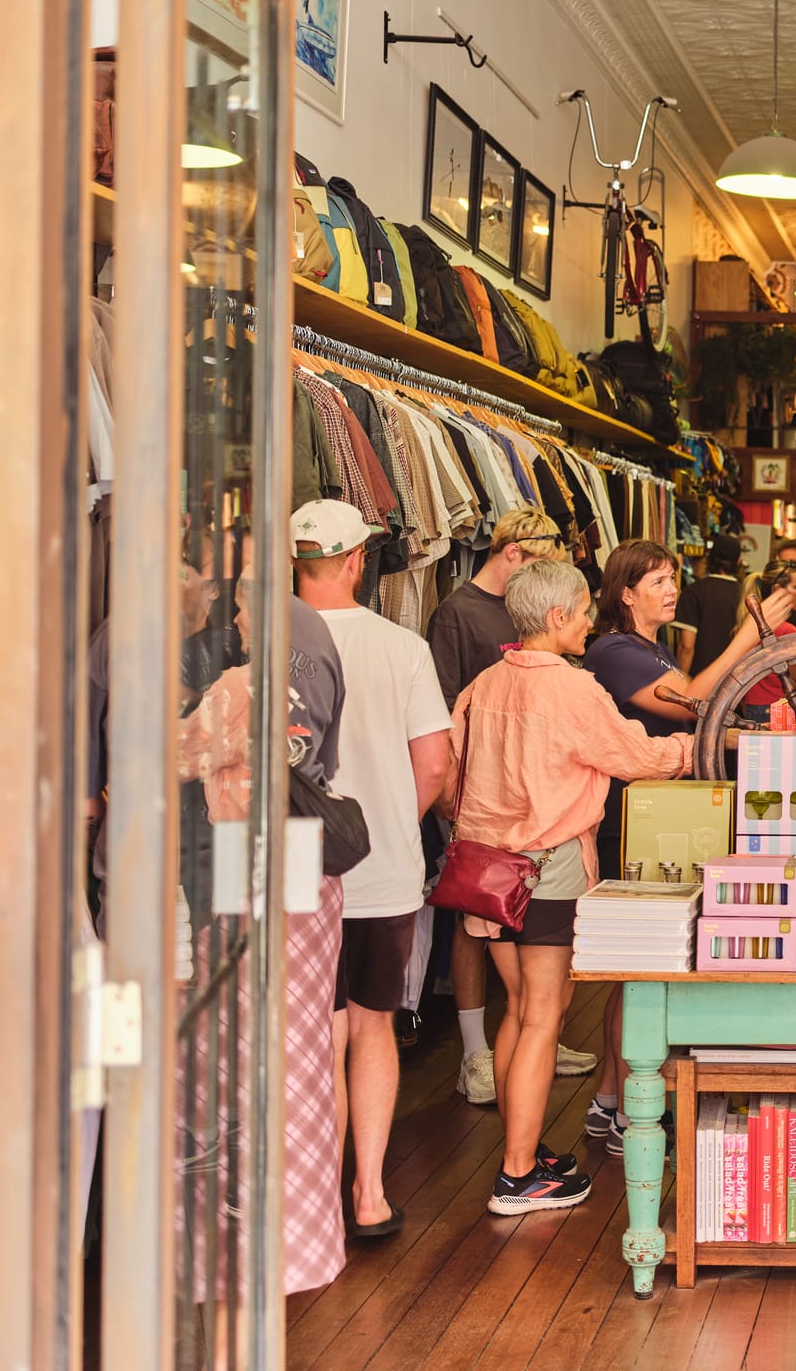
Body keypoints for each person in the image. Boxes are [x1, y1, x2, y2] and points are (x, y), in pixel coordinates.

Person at [446, 559, 695, 1214]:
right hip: (547, 867)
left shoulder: (482, 685)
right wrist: (689, 752)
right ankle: (519, 1175)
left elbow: (450, 780)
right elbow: (635, 758)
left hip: (483, 867)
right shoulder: (575, 689)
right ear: (556, 618)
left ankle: (519, 1151)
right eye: (584, 611)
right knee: (543, 1016)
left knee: (520, 1010)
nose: (590, 621)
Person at [580, 541, 796, 1146]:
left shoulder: (646, 646)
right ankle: (629, 1112)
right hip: (634, 820)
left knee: (637, 970)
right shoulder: (616, 651)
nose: (672, 590)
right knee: (639, 968)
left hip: (653, 814)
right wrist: (747, 638)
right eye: (658, 582)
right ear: (626, 595)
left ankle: (607, 1098)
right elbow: (693, 702)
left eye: (674, 579)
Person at [174, 573, 349, 1294]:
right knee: (303, 1043)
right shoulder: (322, 670)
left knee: (238, 1048)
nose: (237, 619)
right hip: (310, 860)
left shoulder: (241, 688)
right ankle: (307, 1239)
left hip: (246, 858)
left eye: (244, 607)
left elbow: (175, 758)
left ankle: (248, 1246)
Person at [291, 501, 453, 1237]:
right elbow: (436, 766)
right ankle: (369, 1195)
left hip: (294, 867)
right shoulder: (402, 647)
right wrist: (387, 821)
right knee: (374, 1027)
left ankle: (316, 1199)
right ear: (358, 560)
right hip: (382, 863)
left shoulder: (259, 643)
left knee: (315, 1031)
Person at [423, 506, 596, 1103]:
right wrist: (451, 802)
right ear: (516, 551)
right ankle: (479, 1057)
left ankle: (518, 1064)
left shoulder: (528, 641)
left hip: (512, 810)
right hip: (496, 816)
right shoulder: (457, 614)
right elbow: (443, 721)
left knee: (526, 1004)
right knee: (524, 992)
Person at [734, 561, 796, 726]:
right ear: (776, 589)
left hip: (751, 705)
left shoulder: (747, 626)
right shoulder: (788, 631)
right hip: (778, 706)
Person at [672, 532, 744, 674]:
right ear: (738, 562)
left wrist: (680, 685)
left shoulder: (693, 591)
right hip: (735, 683)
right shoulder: (746, 594)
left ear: (709, 558)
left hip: (699, 680)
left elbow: (686, 647)